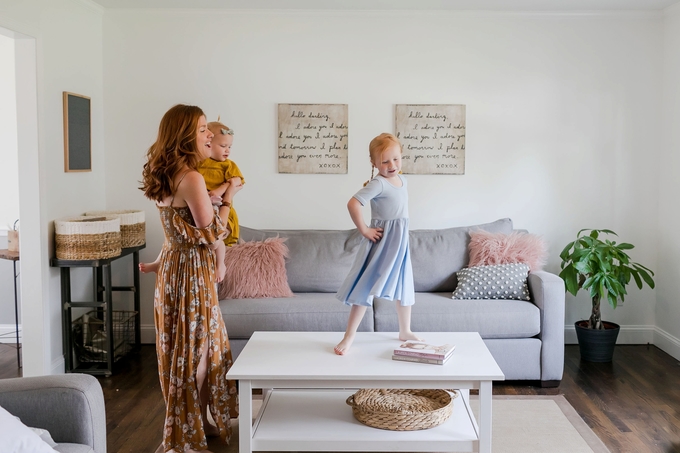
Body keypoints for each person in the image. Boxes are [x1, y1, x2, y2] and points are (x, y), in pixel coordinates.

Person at [139, 104, 241, 453]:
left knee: (184, 350)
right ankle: (187, 430)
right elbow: (212, 231)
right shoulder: (192, 177)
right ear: (185, 136)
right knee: (199, 353)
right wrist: (228, 198)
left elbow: (179, 228)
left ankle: (195, 422)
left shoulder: (163, 172)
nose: (209, 134)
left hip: (171, 267)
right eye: (202, 129)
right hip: (193, 272)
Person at [334, 133, 423, 355]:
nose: (391, 165)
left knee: (404, 284)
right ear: (374, 163)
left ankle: (405, 330)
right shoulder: (379, 184)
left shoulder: (404, 180)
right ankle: (349, 335)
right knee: (366, 286)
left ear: (401, 156)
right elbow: (353, 203)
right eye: (384, 161)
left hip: (400, 242)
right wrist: (364, 229)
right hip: (384, 243)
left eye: (395, 159)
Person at [197, 121, 245, 246]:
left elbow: (238, 181)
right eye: (223, 146)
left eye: (230, 147)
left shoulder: (228, 165)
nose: (227, 150)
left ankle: (220, 265)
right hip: (203, 208)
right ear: (209, 144)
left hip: (222, 208)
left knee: (219, 241)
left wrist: (221, 189)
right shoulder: (200, 162)